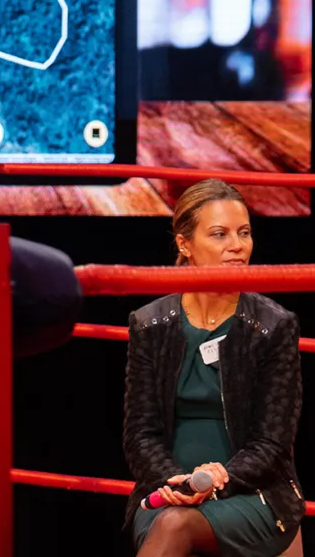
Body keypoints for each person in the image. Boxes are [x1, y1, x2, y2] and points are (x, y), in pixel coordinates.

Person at [123, 179, 303, 557]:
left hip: (254, 494)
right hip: (168, 488)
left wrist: (217, 481)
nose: (236, 246)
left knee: (175, 525)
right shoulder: (150, 324)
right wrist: (172, 482)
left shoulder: (273, 326)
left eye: (244, 233)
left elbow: (271, 444)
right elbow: (140, 434)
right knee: (172, 519)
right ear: (184, 244)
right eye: (219, 234)